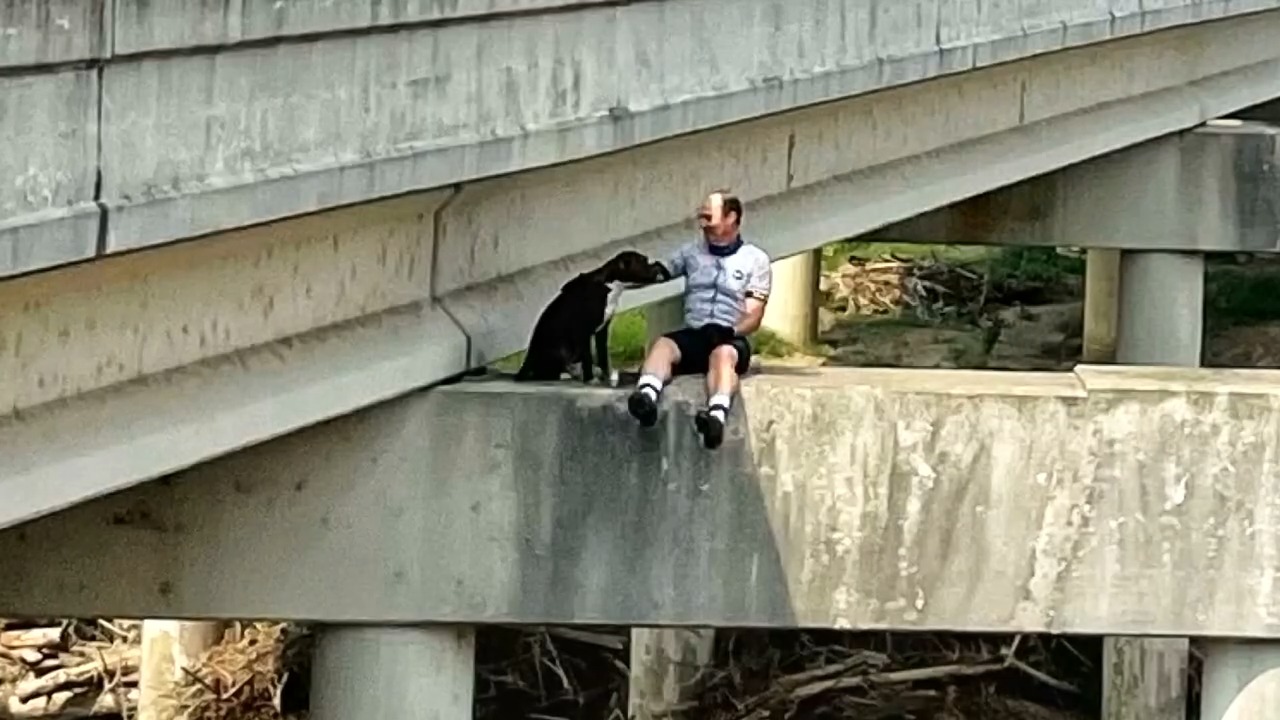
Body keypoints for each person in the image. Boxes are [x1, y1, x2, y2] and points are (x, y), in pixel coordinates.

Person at [627, 190, 772, 449]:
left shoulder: (756, 260)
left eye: (709, 217)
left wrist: (730, 331)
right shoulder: (690, 252)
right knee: (663, 345)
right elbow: (661, 272)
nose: (703, 224)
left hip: (730, 336)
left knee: (723, 356)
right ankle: (646, 398)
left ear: (731, 217)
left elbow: (754, 315)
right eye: (701, 218)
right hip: (696, 332)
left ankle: (715, 418)